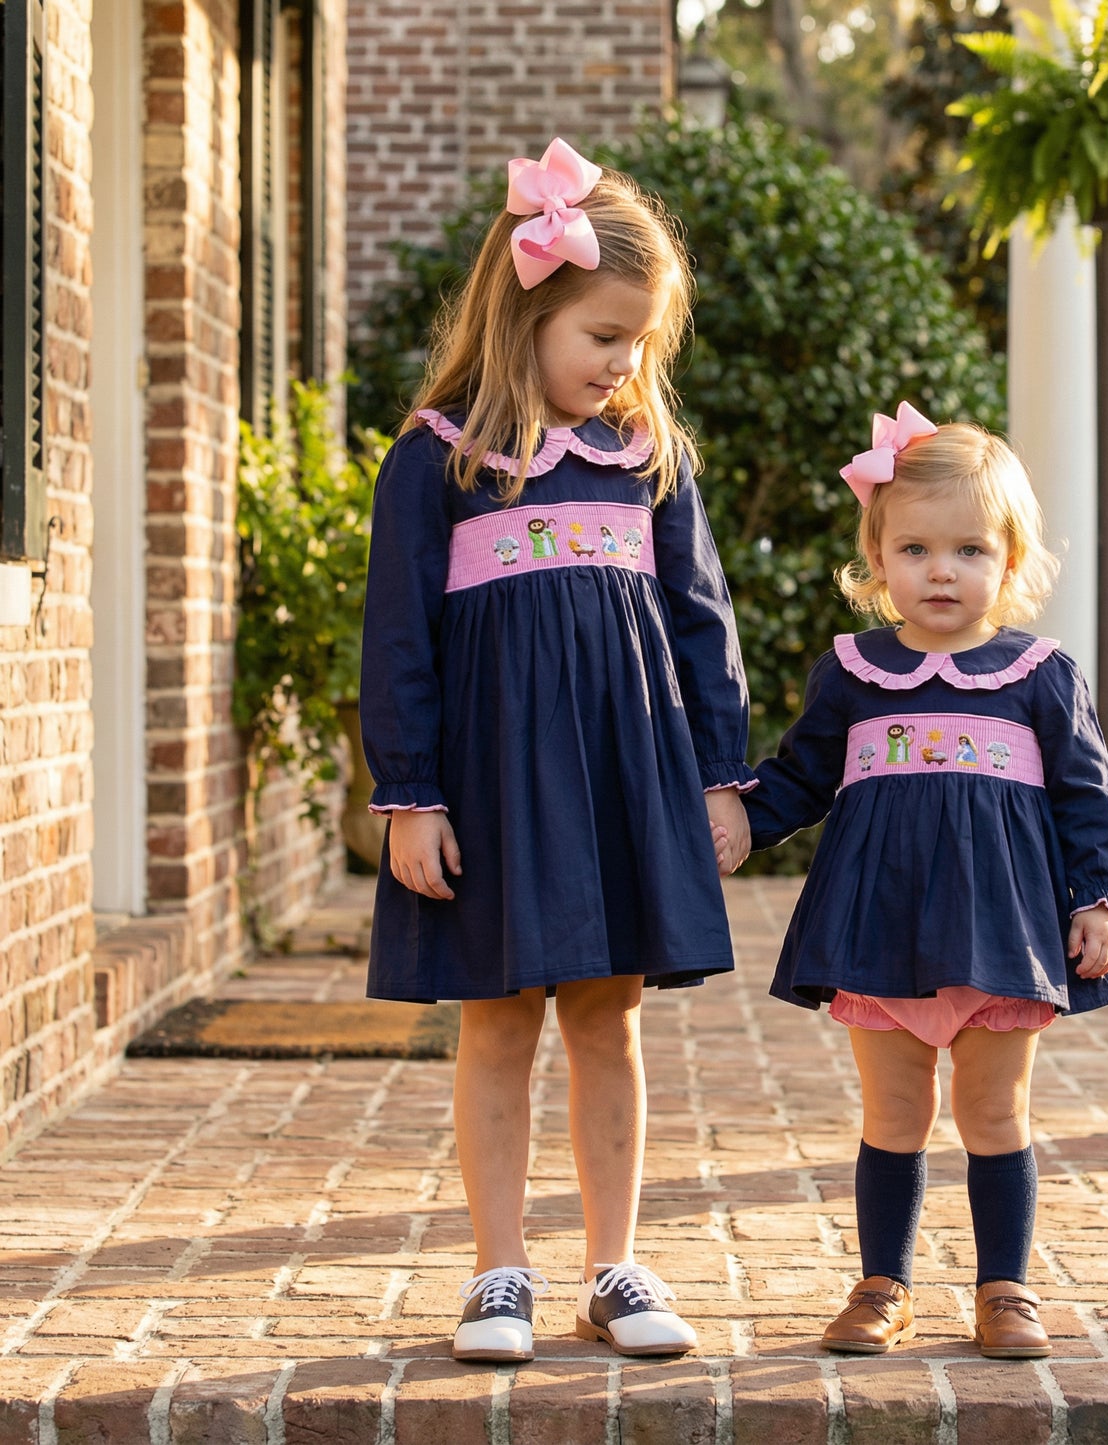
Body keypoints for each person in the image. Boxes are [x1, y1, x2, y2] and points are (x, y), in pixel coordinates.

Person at [359, 138, 754, 1365]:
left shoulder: (646, 461)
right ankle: (496, 1271)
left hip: (618, 775)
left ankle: (613, 1266)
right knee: (496, 1023)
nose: (623, 362)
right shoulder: (439, 461)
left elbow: (702, 622)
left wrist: (719, 776)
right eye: (602, 335)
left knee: (607, 1016)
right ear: (527, 310)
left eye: (639, 341)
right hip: (490, 784)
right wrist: (410, 794)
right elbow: (399, 641)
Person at [742, 404, 1108, 1359]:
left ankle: (1004, 1288)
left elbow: (1088, 794)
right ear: (877, 555)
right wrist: (737, 821)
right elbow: (800, 775)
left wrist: (1098, 896)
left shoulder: (1039, 675)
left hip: (999, 932)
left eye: (967, 549)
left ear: (1008, 559)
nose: (940, 570)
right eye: (914, 547)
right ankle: (883, 1284)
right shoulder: (852, 672)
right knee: (894, 1112)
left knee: (994, 1112)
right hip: (880, 925)